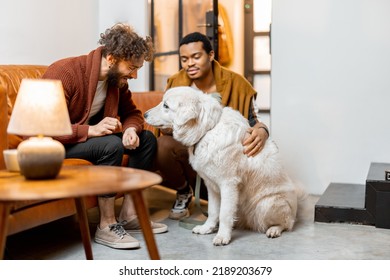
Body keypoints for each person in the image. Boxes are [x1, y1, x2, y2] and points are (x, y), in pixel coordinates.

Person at [42, 23, 168, 250]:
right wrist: (90, 130)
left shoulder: (116, 82)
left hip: (90, 141)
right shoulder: (65, 72)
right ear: (111, 59)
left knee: (146, 139)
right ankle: (106, 226)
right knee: (110, 145)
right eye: (131, 67)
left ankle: (130, 214)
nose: (135, 75)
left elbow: (133, 114)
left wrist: (131, 129)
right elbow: (44, 126)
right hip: (56, 145)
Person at [155, 32, 270, 220]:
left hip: (223, 160)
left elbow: (253, 121)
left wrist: (263, 130)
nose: (189, 63)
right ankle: (184, 191)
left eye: (196, 56)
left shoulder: (236, 83)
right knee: (162, 146)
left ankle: (230, 201)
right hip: (189, 154)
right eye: (184, 59)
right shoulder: (176, 83)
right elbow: (165, 119)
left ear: (211, 55)